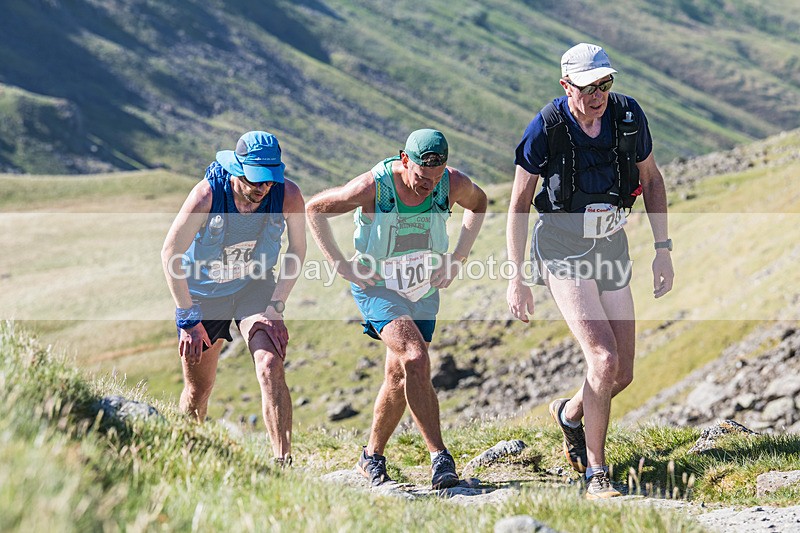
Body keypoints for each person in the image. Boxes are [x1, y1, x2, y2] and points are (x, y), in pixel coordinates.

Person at [506, 43, 674, 499]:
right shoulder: (547, 127)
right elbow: (520, 203)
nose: (598, 94)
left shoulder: (627, 117)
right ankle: (596, 472)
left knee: (622, 373)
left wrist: (663, 249)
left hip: (611, 246)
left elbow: (652, 179)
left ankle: (569, 414)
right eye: (588, 86)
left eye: (605, 83)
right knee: (602, 358)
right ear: (566, 86)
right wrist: (516, 276)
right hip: (561, 247)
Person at [306, 129, 487, 489]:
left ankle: (371, 456)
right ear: (405, 160)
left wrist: (457, 258)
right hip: (377, 286)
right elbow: (315, 209)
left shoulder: (450, 183)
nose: (427, 187)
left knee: (400, 375)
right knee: (416, 358)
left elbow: (479, 204)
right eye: (421, 177)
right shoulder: (374, 186)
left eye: (435, 179)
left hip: (422, 289)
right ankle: (440, 458)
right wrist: (342, 265)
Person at [161, 130, 306, 466]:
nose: (262, 188)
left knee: (270, 364)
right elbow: (171, 252)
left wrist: (276, 307)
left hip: (253, 287)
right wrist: (187, 318)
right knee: (198, 390)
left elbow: (298, 250)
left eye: (269, 181)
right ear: (237, 168)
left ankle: (283, 464)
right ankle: (187, 455)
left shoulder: (288, 196)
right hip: (204, 296)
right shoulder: (207, 195)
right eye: (255, 180)